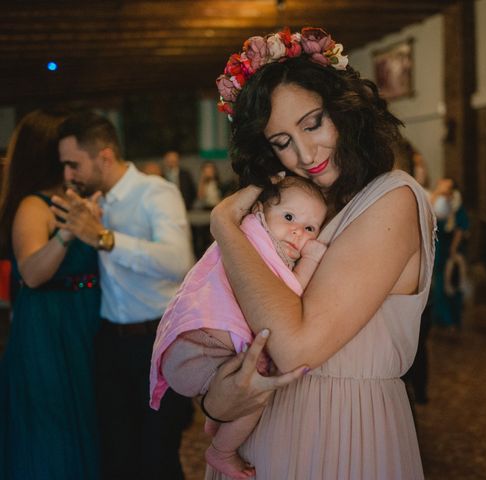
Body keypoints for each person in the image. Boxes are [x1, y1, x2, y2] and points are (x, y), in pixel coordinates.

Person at [165, 27, 436, 479]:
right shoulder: (299, 207)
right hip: (264, 430)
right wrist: (215, 396)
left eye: (313, 124)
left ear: (345, 111)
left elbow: (293, 348)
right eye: (281, 142)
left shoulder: (393, 199)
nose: (305, 153)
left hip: (345, 430)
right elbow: (237, 319)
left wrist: (224, 227)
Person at [151, 176, 327, 479]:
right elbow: (285, 299)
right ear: (259, 212)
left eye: (310, 228)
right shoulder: (256, 244)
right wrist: (310, 260)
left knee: (242, 383)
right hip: (202, 348)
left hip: (192, 346)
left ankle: (218, 417)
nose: (298, 231)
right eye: (289, 217)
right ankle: (221, 451)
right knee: (259, 387)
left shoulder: (248, 236)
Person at [50, 112, 195, 480]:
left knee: (157, 459)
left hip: (155, 344)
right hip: (108, 345)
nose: (68, 175)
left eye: (74, 164)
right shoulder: (90, 203)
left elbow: (179, 261)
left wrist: (105, 238)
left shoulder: (155, 192)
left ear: (105, 156)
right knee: (116, 458)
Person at [0, 109, 102, 479]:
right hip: (48, 326)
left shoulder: (77, 198)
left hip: (80, 321)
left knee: (84, 417)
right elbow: (31, 272)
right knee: (54, 428)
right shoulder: (33, 205)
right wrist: (66, 235)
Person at [431, 179, 469, 334]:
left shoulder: (457, 204)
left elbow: (461, 228)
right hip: (440, 249)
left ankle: (453, 320)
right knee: (440, 285)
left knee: (453, 284)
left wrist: (453, 249)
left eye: (445, 185)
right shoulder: (439, 202)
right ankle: (443, 320)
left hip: (451, 251)